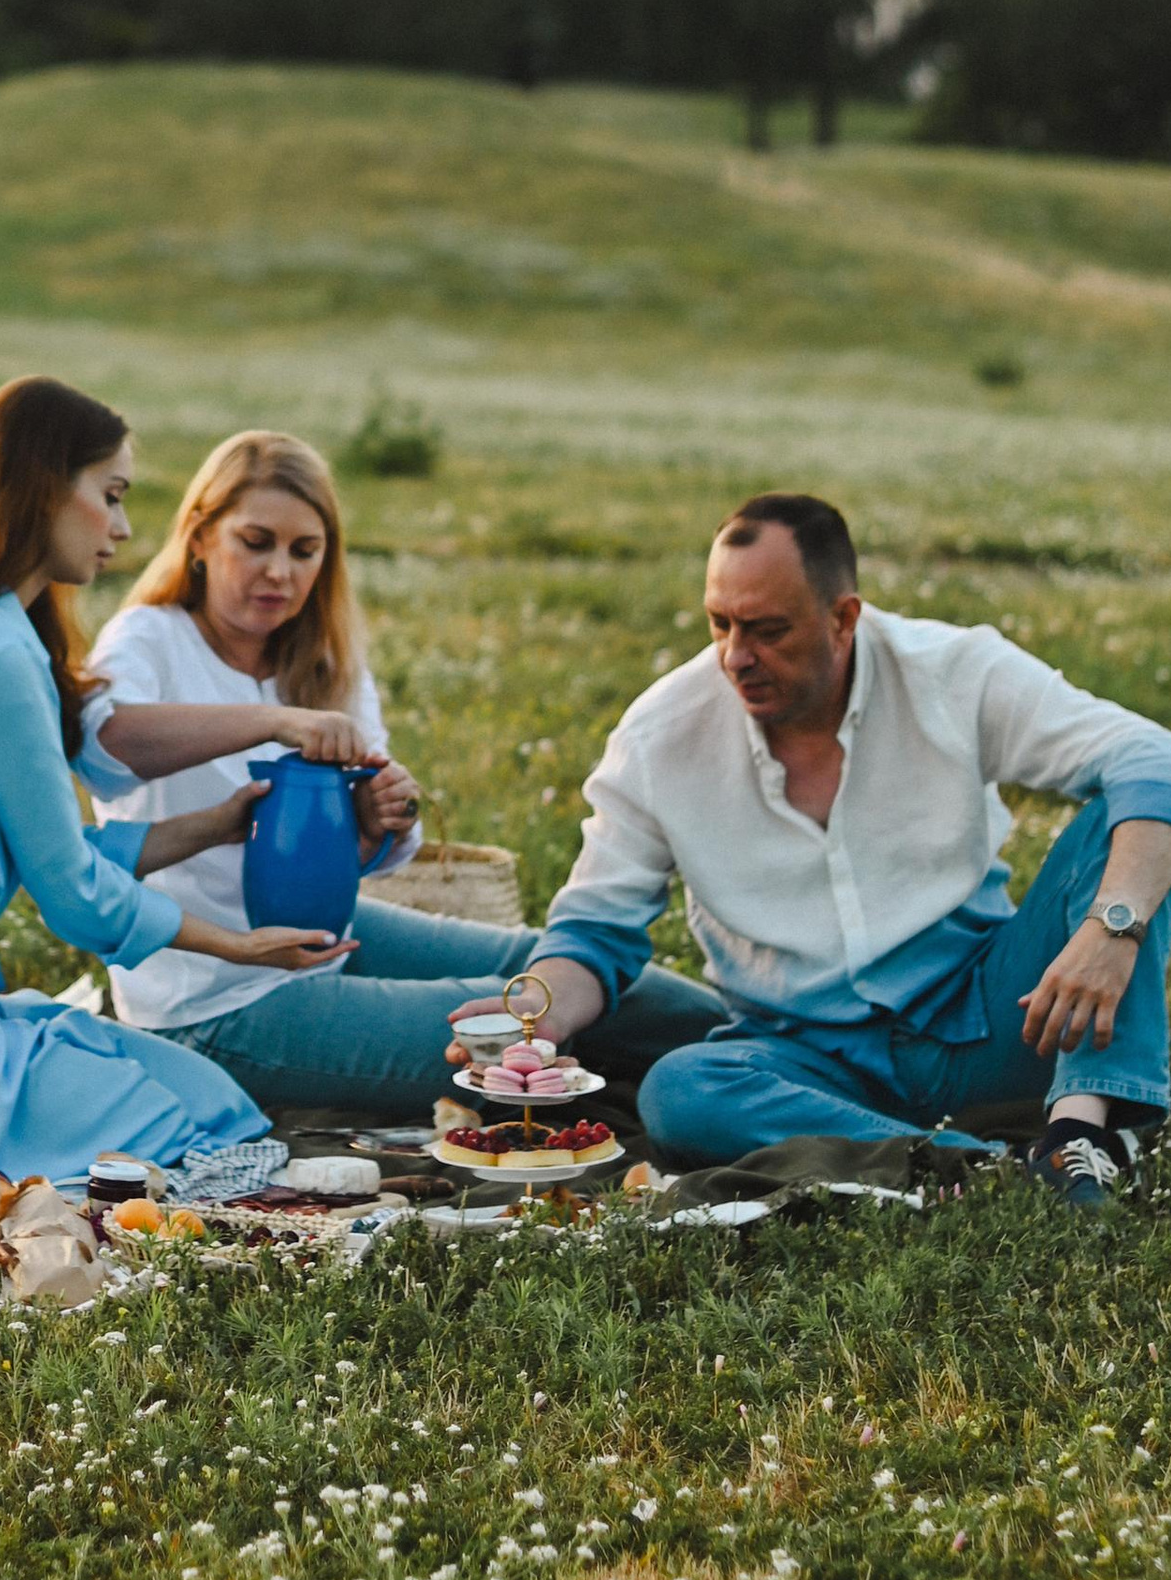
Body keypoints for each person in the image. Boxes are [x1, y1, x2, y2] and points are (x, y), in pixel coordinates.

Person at [0, 377, 371, 1187]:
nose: (121, 527)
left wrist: (218, 823)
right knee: (189, 1134)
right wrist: (238, 946)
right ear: (45, 488)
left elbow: (62, 850)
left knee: (204, 1094)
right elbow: (73, 894)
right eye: (110, 495)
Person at [534, 492, 1171, 1207]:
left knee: (1123, 823)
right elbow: (594, 929)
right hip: (808, 1064)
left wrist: (1112, 929)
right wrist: (533, 1018)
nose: (736, 656)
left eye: (767, 630)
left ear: (843, 618)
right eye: (719, 623)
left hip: (995, 1017)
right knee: (680, 1092)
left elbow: (1158, 764)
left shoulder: (953, 672)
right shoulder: (658, 737)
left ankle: (1081, 1134)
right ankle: (969, 1166)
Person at [89, 428, 724, 1121]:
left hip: (328, 935)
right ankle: (704, 1095)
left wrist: (382, 821)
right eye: (256, 541)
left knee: (572, 978)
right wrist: (273, 722)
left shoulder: (321, 659)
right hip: (214, 999)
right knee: (514, 1041)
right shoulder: (147, 638)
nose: (281, 572)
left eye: (306, 551)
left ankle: (769, 1051)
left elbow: (373, 855)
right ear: (201, 535)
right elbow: (111, 743)